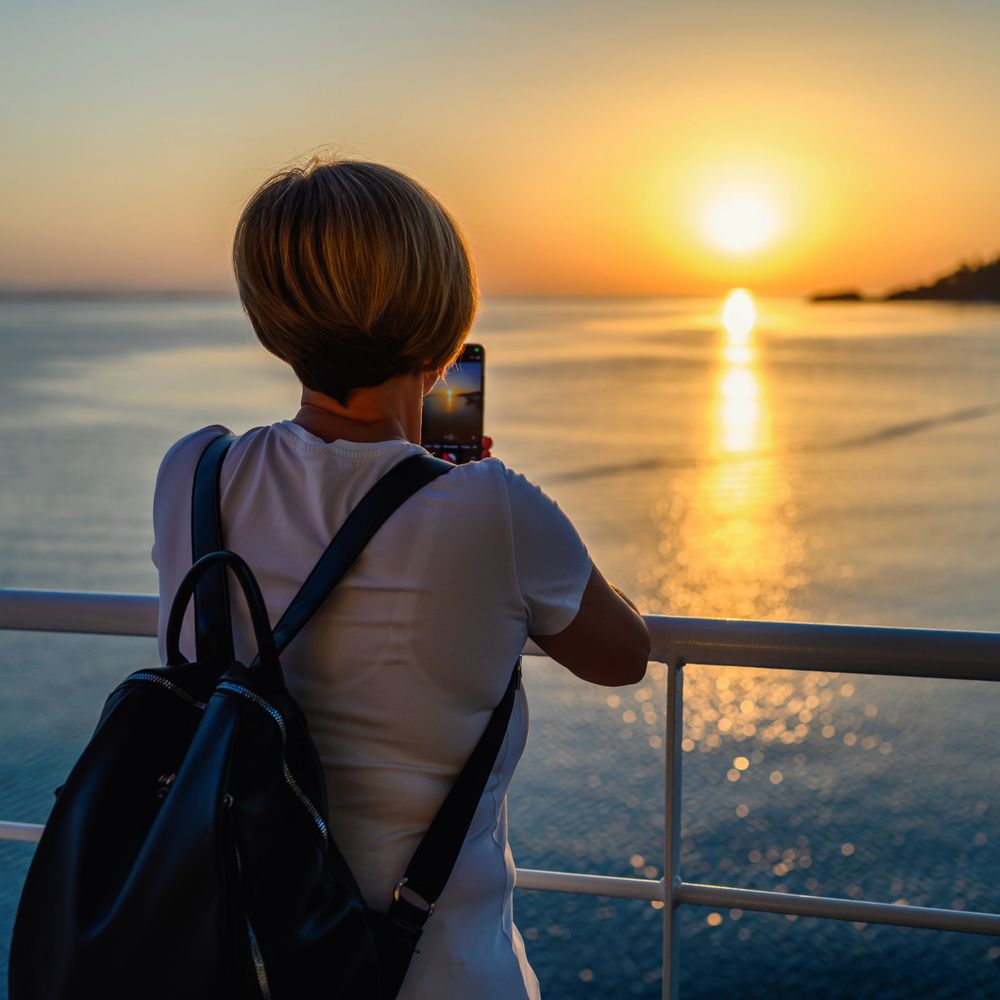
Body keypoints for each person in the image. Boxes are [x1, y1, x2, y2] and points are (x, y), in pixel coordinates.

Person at [150, 158, 650, 999]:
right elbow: (622, 653)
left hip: (239, 957)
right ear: (443, 322)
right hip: (442, 974)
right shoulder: (492, 508)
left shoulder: (196, 472)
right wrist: (477, 501)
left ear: (274, 318)